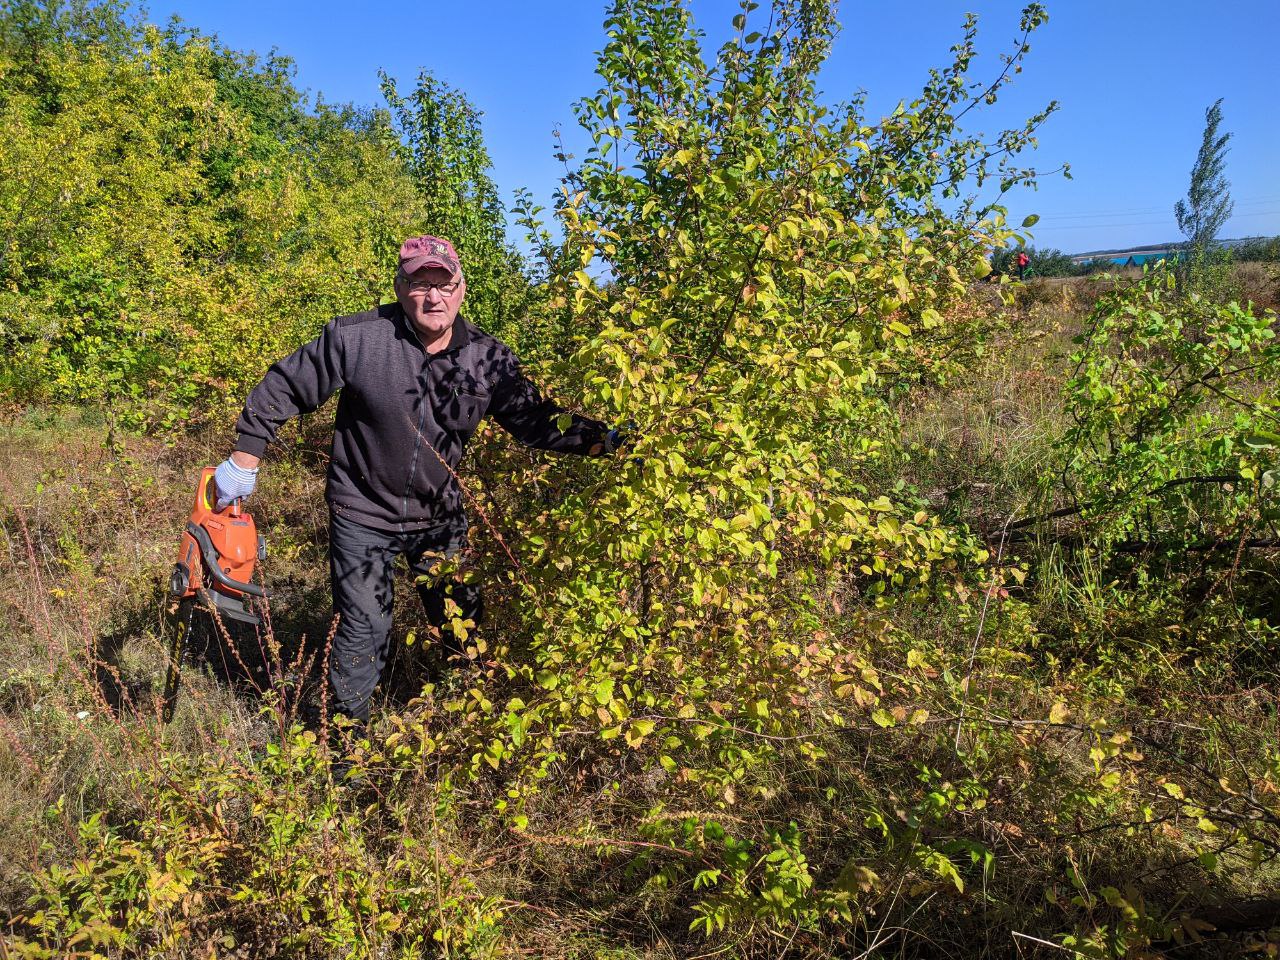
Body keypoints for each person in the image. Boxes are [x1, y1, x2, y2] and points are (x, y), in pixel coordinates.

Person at [213, 235, 628, 725]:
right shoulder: (358, 338)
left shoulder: (487, 359)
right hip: (361, 512)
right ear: (400, 286)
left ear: (462, 288)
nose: (434, 297)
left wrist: (614, 443)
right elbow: (285, 385)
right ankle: (344, 749)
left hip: (440, 518)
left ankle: (467, 728)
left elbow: (537, 423)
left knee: (463, 627)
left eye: (444, 283)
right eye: (420, 284)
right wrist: (245, 457)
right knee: (364, 632)